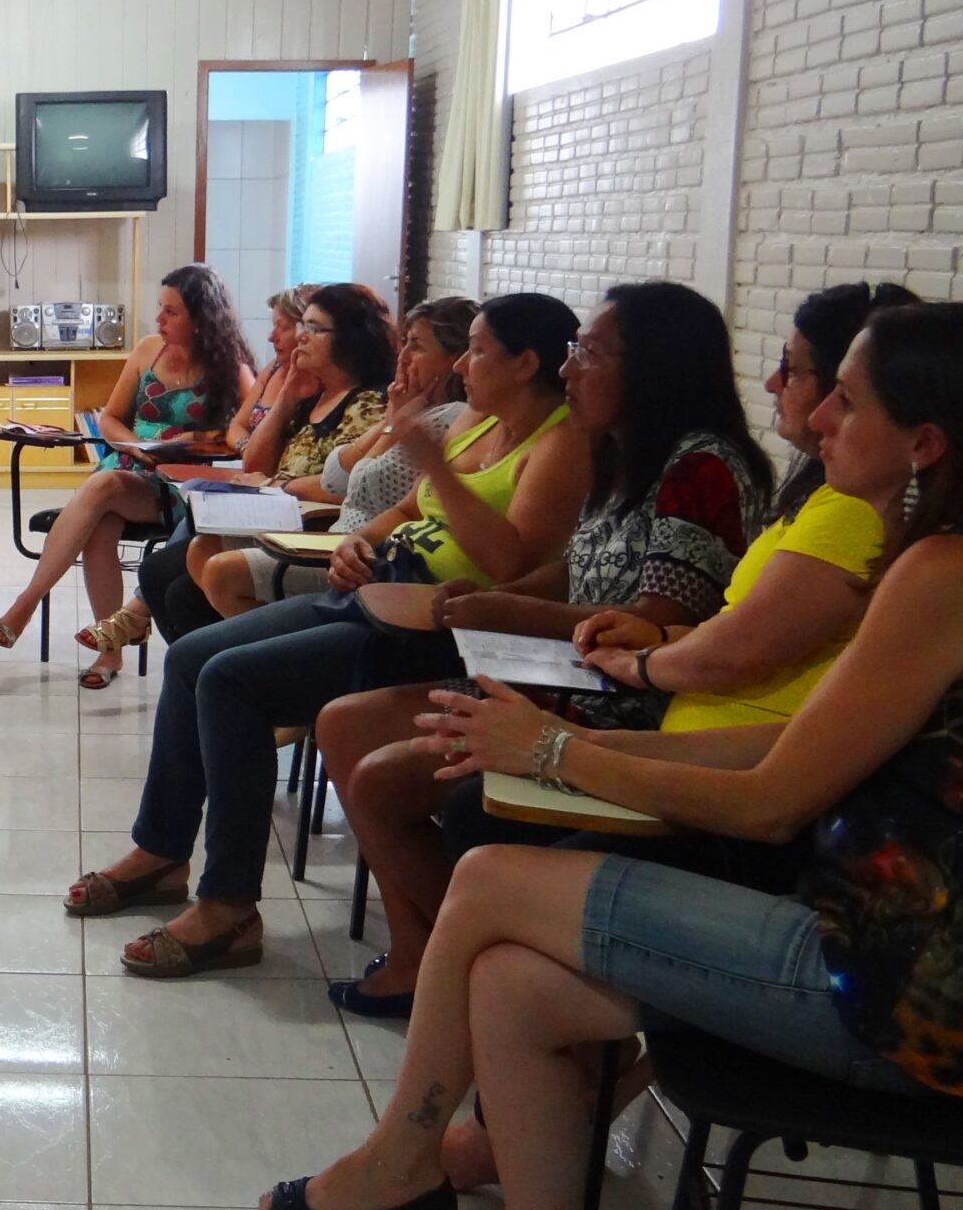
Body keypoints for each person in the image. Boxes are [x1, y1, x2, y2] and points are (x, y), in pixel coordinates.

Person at [255, 302, 963, 1210]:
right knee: (509, 983)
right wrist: (550, 746)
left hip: (894, 992)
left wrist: (562, 754)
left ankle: (405, 1153)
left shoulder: (949, 573)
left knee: (486, 879)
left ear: (925, 442)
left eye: (844, 396)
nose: (816, 411)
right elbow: (779, 749)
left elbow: (772, 799)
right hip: (888, 955)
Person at [403, 279, 924, 1191]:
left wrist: (603, 712)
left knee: (482, 846)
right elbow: (740, 666)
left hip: (827, 916)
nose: (783, 390)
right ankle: (470, 1159)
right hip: (724, 778)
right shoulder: (833, 510)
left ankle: (431, 1140)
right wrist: (630, 673)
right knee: (483, 859)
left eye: (823, 383)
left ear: (925, 435)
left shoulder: (893, 546)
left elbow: (754, 727)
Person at [67, 294, 589, 976]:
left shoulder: (559, 443)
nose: (463, 364)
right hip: (378, 587)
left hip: (440, 627)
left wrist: (427, 458)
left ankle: (229, 905)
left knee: (230, 682)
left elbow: (510, 560)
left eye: (479, 351)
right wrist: (355, 545)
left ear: (525, 364)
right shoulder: (474, 423)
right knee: (193, 656)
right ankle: (162, 851)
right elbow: (407, 508)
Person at [313, 280, 791, 1018]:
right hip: (554, 673)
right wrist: (500, 603)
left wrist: (505, 608)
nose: (570, 372)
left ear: (653, 367)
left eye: (589, 353)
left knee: (380, 778)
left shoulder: (700, 467)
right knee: (345, 722)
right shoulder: (624, 451)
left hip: (619, 707)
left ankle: (468, 964)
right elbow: (574, 566)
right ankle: (427, 952)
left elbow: (650, 621)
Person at [0, 264, 257, 686]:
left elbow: (251, 431)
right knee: (101, 522)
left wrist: (203, 436)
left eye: (171, 313)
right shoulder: (149, 350)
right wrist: (132, 446)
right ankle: (108, 655)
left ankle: (26, 604)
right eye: (160, 309)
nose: (159, 320)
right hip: (128, 464)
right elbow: (109, 419)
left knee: (102, 487)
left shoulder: (229, 366)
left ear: (202, 319)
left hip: (176, 485)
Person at [201, 297, 480, 617]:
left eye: (415, 347)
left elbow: (342, 485)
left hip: (354, 553)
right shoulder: (403, 407)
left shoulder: (434, 416)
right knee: (195, 550)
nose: (402, 357)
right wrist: (393, 418)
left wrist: (278, 484)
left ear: (454, 360)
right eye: (403, 344)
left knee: (217, 569)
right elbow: (337, 473)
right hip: (340, 544)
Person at [115, 283, 321, 645]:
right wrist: (245, 443)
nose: (271, 336)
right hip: (256, 483)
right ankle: (134, 623)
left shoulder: (307, 384)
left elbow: (258, 454)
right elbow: (239, 427)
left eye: (282, 327)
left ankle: (134, 617)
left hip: (283, 501)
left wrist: (227, 445)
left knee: (170, 571)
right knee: (158, 548)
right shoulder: (275, 369)